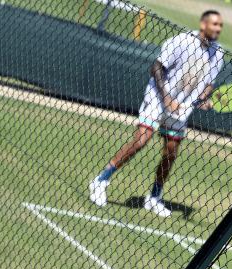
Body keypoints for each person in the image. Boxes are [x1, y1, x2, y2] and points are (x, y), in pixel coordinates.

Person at [89, 10, 224, 217]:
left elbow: (208, 84)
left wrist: (202, 100)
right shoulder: (182, 41)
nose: (218, 29)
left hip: (182, 106)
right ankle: (101, 180)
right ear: (203, 24)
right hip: (157, 98)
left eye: (220, 26)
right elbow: (156, 67)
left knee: (170, 152)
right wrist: (167, 98)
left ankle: (154, 197)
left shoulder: (219, 53)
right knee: (142, 140)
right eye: (215, 24)